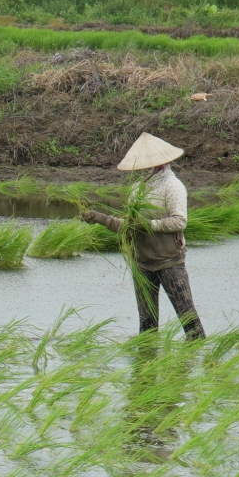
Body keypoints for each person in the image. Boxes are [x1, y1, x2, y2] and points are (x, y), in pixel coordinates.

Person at [81, 133, 205, 340]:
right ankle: (146, 367)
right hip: (142, 264)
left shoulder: (172, 186)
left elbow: (179, 221)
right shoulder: (137, 189)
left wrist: (148, 224)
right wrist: (98, 217)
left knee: (189, 322)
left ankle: (201, 364)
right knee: (147, 328)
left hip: (169, 262)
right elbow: (129, 227)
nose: (140, 169)